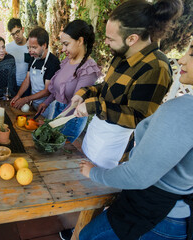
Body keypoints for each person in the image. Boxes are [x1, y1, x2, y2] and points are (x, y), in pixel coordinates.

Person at [78, 39, 192, 240]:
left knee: (87, 235)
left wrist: (95, 173)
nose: (182, 60)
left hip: (152, 214)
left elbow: (137, 175)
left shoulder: (181, 110)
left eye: (191, 55)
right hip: (177, 213)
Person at [70, 0, 182, 170]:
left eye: (110, 39)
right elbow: (108, 88)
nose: (106, 43)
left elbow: (139, 118)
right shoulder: (122, 54)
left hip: (114, 149)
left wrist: (96, 106)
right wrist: (85, 93)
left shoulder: (156, 68)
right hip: (96, 136)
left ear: (132, 39)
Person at [37, 20, 100, 143]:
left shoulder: (88, 69)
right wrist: (46, 102)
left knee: (57, 153)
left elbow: (74, 105)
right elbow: (58, 90)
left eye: (66, 44)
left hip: (71, 118)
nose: (63, 49)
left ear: (80, 41)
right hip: (58, 112)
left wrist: (51, 125)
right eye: (62, 44)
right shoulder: (67, 61)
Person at [11, 27, 60, 119]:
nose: (30, 51)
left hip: (47, 107)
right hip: (34, 104)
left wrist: (26, 99)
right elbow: (27, 79)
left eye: (34, 47)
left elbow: (47, 91)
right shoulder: (33, 58)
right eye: (28, 47)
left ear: (44, 45)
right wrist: (18, 96)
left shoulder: (53, 62)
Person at [6, 18, 30, 96]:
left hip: (27, 86)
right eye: (13, 34)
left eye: (17, 32)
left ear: (22, 29)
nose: (16, 36)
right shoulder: (8, 48)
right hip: (12, 86)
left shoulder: (31, 46)